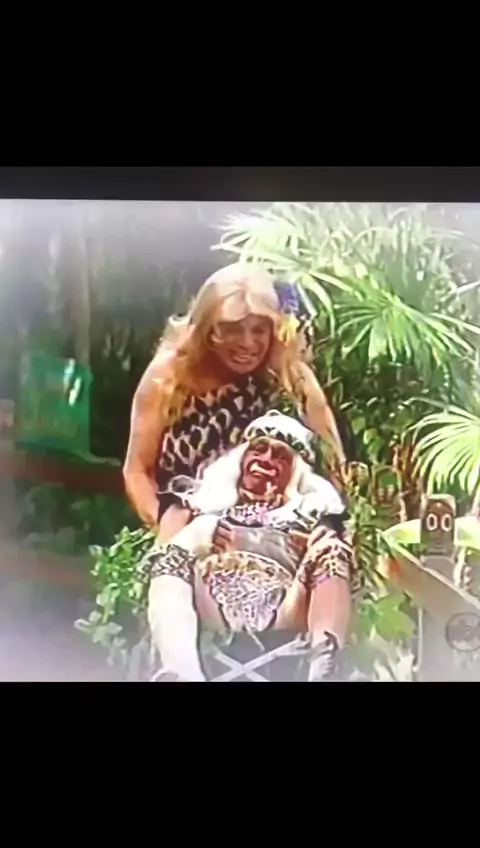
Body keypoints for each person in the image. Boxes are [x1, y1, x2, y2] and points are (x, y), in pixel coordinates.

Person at [123, 263, 346, 541]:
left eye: (259, 330)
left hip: (280, 541)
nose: (247, 343)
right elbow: (137, 471)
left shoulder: (291, 377)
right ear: (206, 328)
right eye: (232, 329)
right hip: (184, 533)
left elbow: (335, 466)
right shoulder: (169, 375)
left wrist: (325, 534)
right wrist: (171, 533)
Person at [143, 411, 361, 682]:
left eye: (281, 456)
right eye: (259, 449)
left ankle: (324, 669)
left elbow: (334, 553)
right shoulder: (195, 505)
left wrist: (315, 543)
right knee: (170, 557)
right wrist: (201, 531)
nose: (267, 459)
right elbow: (160, 555)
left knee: (332, 550)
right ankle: (181, 671)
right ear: (242, 458)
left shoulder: (313, 515)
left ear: (296, 471)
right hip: (210, 599)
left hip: (285, 606)